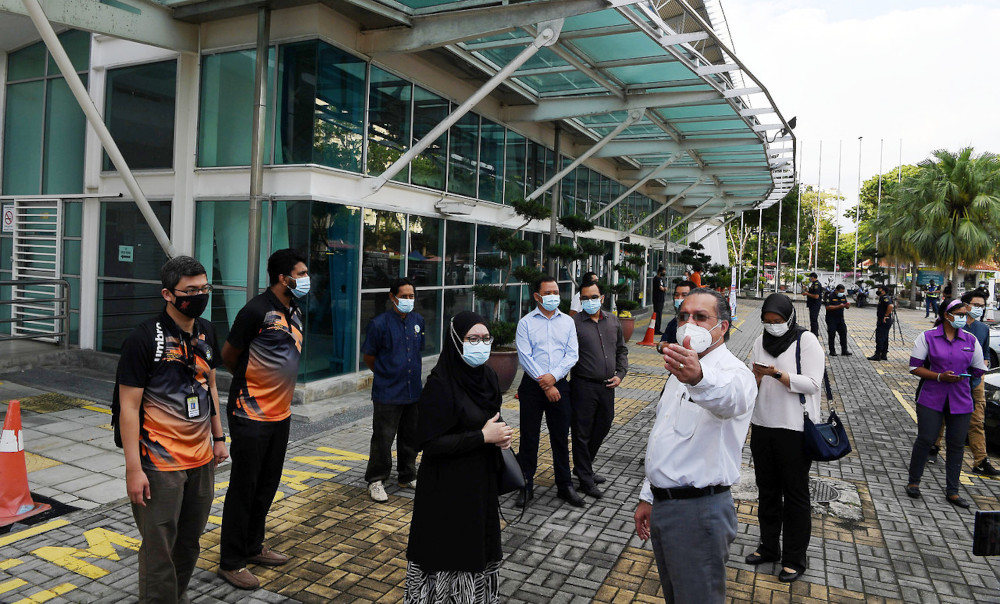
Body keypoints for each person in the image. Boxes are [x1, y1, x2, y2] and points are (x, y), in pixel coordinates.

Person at [633, 288, 757, 603]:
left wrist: (697, 378)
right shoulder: (680, 369)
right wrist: (648, 495)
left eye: (701, 317)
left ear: (723, 327)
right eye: (684, 316)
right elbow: (665, 438)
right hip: (664, 505)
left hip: (699, 511)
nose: (690, 324)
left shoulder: (735, 374)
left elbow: (728, 400)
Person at [116, 256, 228, 603]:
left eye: (204, 288)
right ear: (168, 294)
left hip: (201, 458)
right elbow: (128, 407)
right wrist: (133, 469)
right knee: (159, 547)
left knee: (190, 540)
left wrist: (219, 437)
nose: (200, 296)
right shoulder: (143, 338)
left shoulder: (207, 330)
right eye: (190, 291)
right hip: (159, 463)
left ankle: (175, 596)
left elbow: (210, 385)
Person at [405, 312, 513, 603]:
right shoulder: (440, 384)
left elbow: (491, 419)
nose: (481, 344)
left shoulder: (488, 377)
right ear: (456, 341)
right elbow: (428, 443)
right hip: (446, 488)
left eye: (485, 338)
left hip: (480, 484)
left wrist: (501, 435)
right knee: (447, 553)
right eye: (472, 339)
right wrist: (483, 437)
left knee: (477, 550)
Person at [218, 249, 307, 589]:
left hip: (281, 414)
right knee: (244, 488)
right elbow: (230, 355)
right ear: (283, 278)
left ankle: (253, 546)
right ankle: (231, 562)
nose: (306, 279)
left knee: (267, 485)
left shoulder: (294, 309)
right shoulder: (256, 310)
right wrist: (254, 385)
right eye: (301, 273)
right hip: (250, 414)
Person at [746, 294, 824, 584]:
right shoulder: (759, 341)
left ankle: (794, 558)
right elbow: (752, 381)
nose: (772, 325)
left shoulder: (807, 341)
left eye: (777, 320)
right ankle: (768, 547)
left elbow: (813, 384)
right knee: (766, 492)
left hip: (794, 429)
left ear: (789, 318)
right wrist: (755, 378)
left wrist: (777, 374)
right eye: (767, 321)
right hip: (762, 425)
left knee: (795, 496)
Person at [904, 298, 986, 509]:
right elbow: (914, 367)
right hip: (931, 397)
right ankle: (914, 481)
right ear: (946, 315)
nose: (962, 318)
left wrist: (965, 377)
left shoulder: (970, 340)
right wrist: (940, 376)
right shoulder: (928, 337)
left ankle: (953, 491)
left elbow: (979, 369)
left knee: (956, 444)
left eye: (964, 314)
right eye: (959, 314)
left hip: (961, 399)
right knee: (926, 439)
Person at [515, 275, 581, 507]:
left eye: (556, 292)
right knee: (529, 437)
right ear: (537, 296)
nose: (554, 296)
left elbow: (572, 354)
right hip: (532, 387)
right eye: (548, 293)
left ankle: (564, 485)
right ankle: (525, 484)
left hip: (560, 384)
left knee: (560, 437)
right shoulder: (525, 323)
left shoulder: (568, 322)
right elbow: (525, 356)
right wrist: (546, 383)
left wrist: (554, 378)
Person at [362, 277, 425, 502]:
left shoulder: (418, 321)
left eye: (411, 296)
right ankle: (376, 480)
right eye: (403, 296)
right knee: (383, 438)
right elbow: (369, 356)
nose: (408, 300)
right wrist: (385, 373)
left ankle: (407, 475)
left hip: (412, 390)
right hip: (388, 391)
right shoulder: (379, 324)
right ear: (392, 297)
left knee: (410, 436)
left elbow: (418, 351)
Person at [929, 289, 999, 476]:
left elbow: (985, 356)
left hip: (974, 382)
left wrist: (980, 371)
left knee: (977, 421)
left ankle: (981, 460)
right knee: (943, 415)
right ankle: (933, 447)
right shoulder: (951, 325)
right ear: (965, 305)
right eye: (975, 305)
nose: (979, 309)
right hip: (950, 379)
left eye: (982, 306)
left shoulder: (983, 329)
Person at [571, 280, 628, 498]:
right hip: (583, 385)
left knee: (603, 425)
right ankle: (585, 478)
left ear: (602, 298)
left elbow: (621, 350)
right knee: (581, 432)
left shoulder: (613, 321)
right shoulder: (573, 323)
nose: (590, 301)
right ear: (580, 300)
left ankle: (583, 467)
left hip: (607, 386)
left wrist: (620, 374)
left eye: (594, 297)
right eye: (585, 298)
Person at [655, 280, 696, 353]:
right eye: (676, 295)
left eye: (684, 295)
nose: (679, 298)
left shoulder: (699, 322)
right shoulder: (673, 322)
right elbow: (660, 345)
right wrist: (673, 347)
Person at [868, 284, 894, 361]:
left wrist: (886, 315)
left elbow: (890, 306)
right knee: (884, 337)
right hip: (884, 320)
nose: (878, 290)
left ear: (883, 290)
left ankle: (877, 355)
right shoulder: (883, 297)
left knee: (880, 337)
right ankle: (883, 354)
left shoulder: (885, 298)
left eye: (879, 289)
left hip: (884, 320)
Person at [825, 284, 851, 356]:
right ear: (836, 290)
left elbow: (845, 305)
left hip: (840, 318)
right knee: (832, 335)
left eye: (843, 292)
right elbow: (827, 307)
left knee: (843, 333)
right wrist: (839, 306)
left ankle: (844, 350)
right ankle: (832, 351)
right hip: (831, 319)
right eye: (840, 292)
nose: (841, 293)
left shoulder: (843, 296)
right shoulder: (830, 296)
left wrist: (847, 306)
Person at [652, 266, 667, 334]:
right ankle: (656, 329)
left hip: (660, 298)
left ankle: (657, 328)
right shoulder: (657, 279)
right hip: (657, 299)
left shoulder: (661, 279)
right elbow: (661, 288)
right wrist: (664, 289)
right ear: (659, 272)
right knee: (657, 314)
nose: (664, 273)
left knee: (659, 314)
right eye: (663, 272)